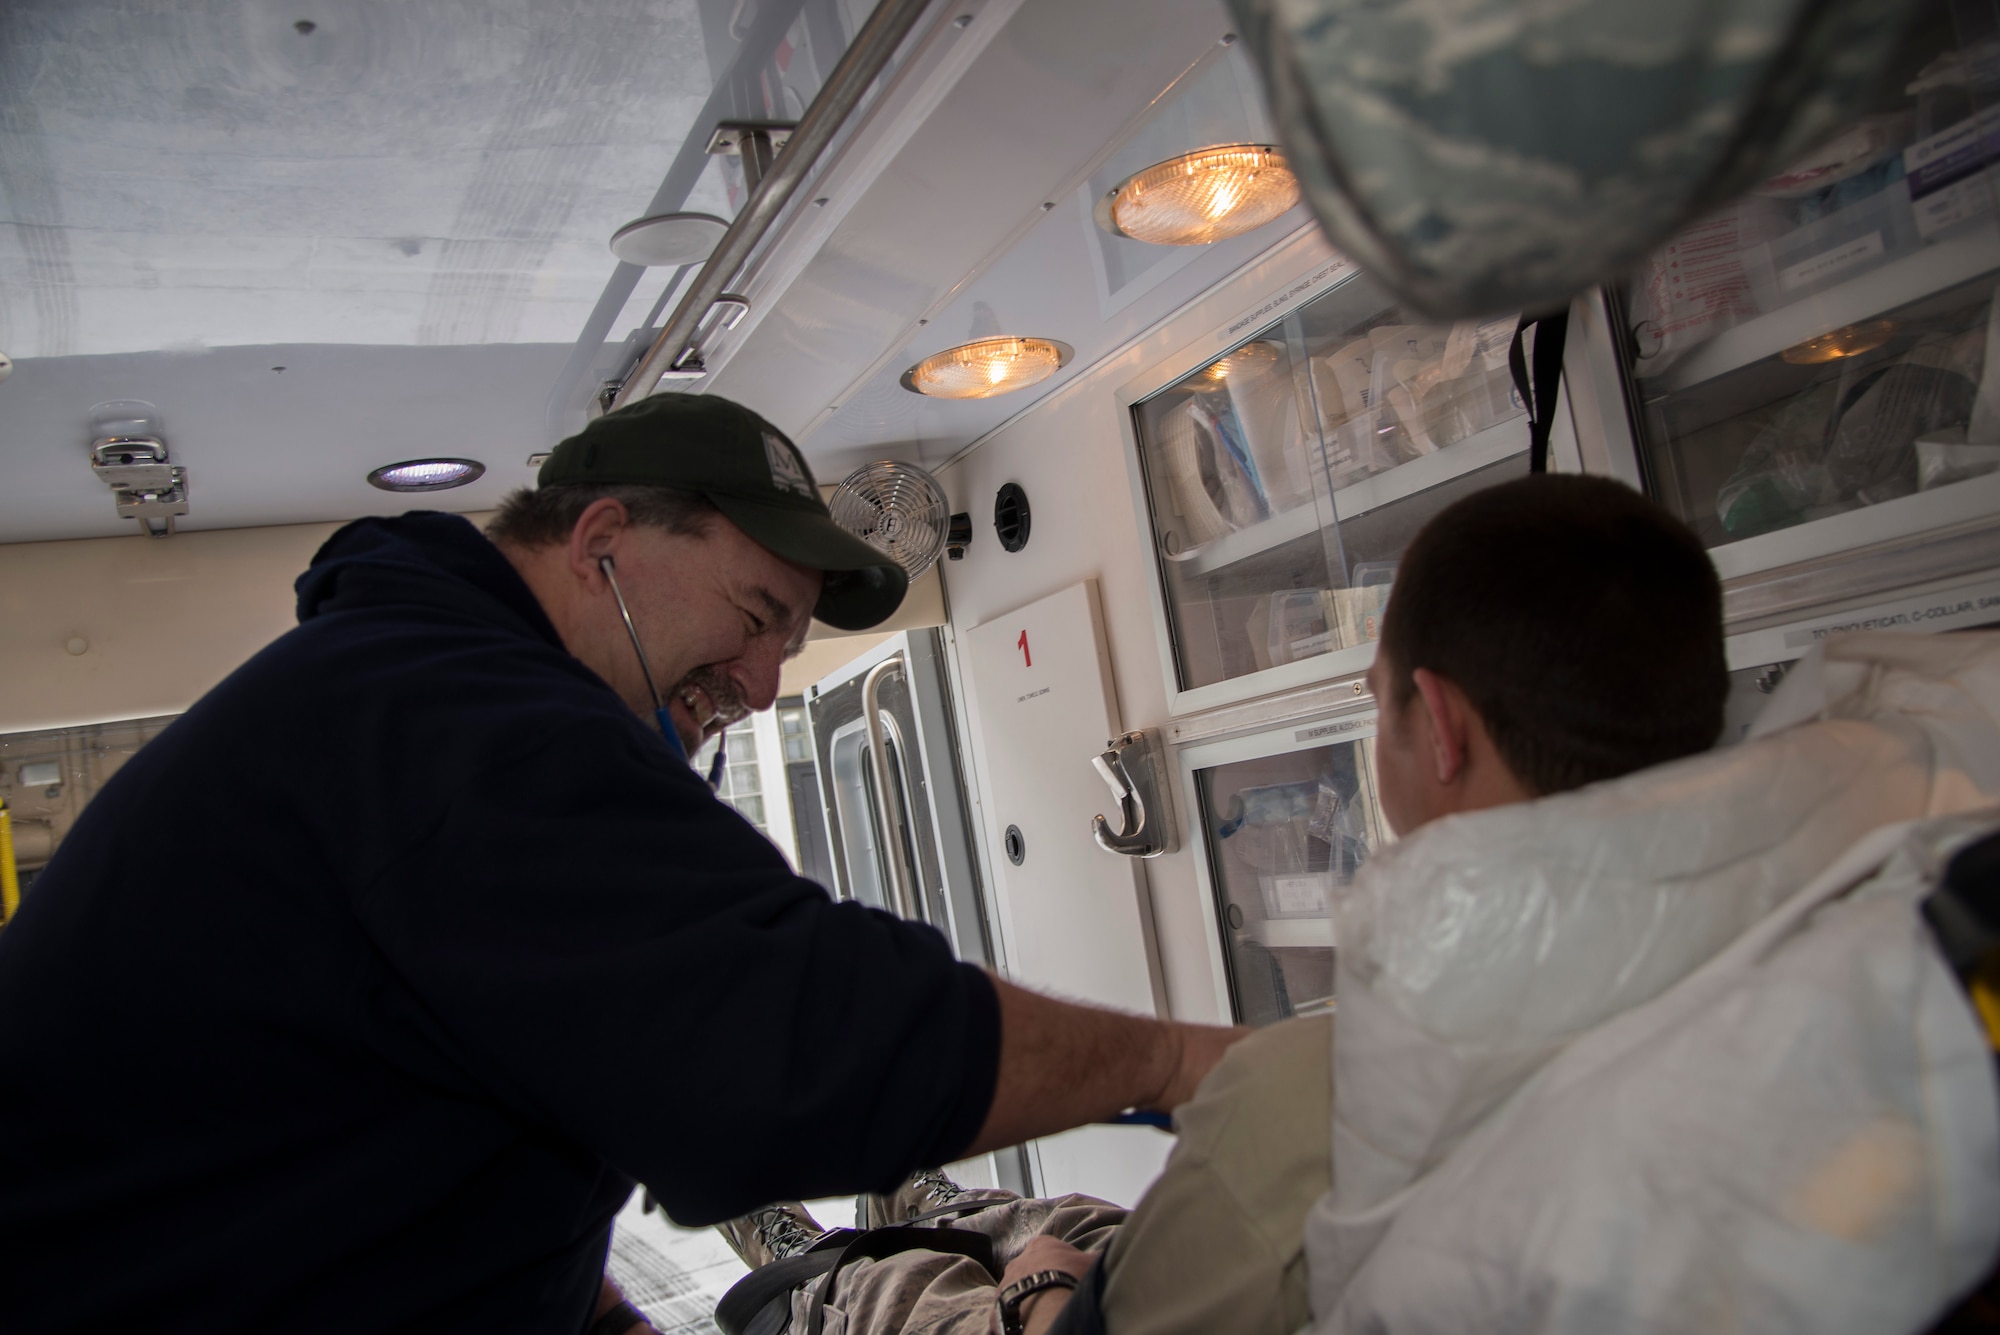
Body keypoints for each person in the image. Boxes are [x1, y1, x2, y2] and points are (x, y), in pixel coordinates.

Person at [0, 393, 1242, 1335]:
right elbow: (788, 1035)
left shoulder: (412, 684)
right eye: (755, 619)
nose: (760, 687)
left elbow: (427, 1105)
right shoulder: (459, 721)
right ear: (601, 541)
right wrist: (1194, 1067)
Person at [720, 473, 2000, 1335]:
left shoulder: (1319, 1092)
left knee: (939, 1289)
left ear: (1431, 725)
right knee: (1049, 1218)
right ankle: (964, 1224)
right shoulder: (1878, 863)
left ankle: (851, 1268)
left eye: (1375, 701)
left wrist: (1050, 1289)